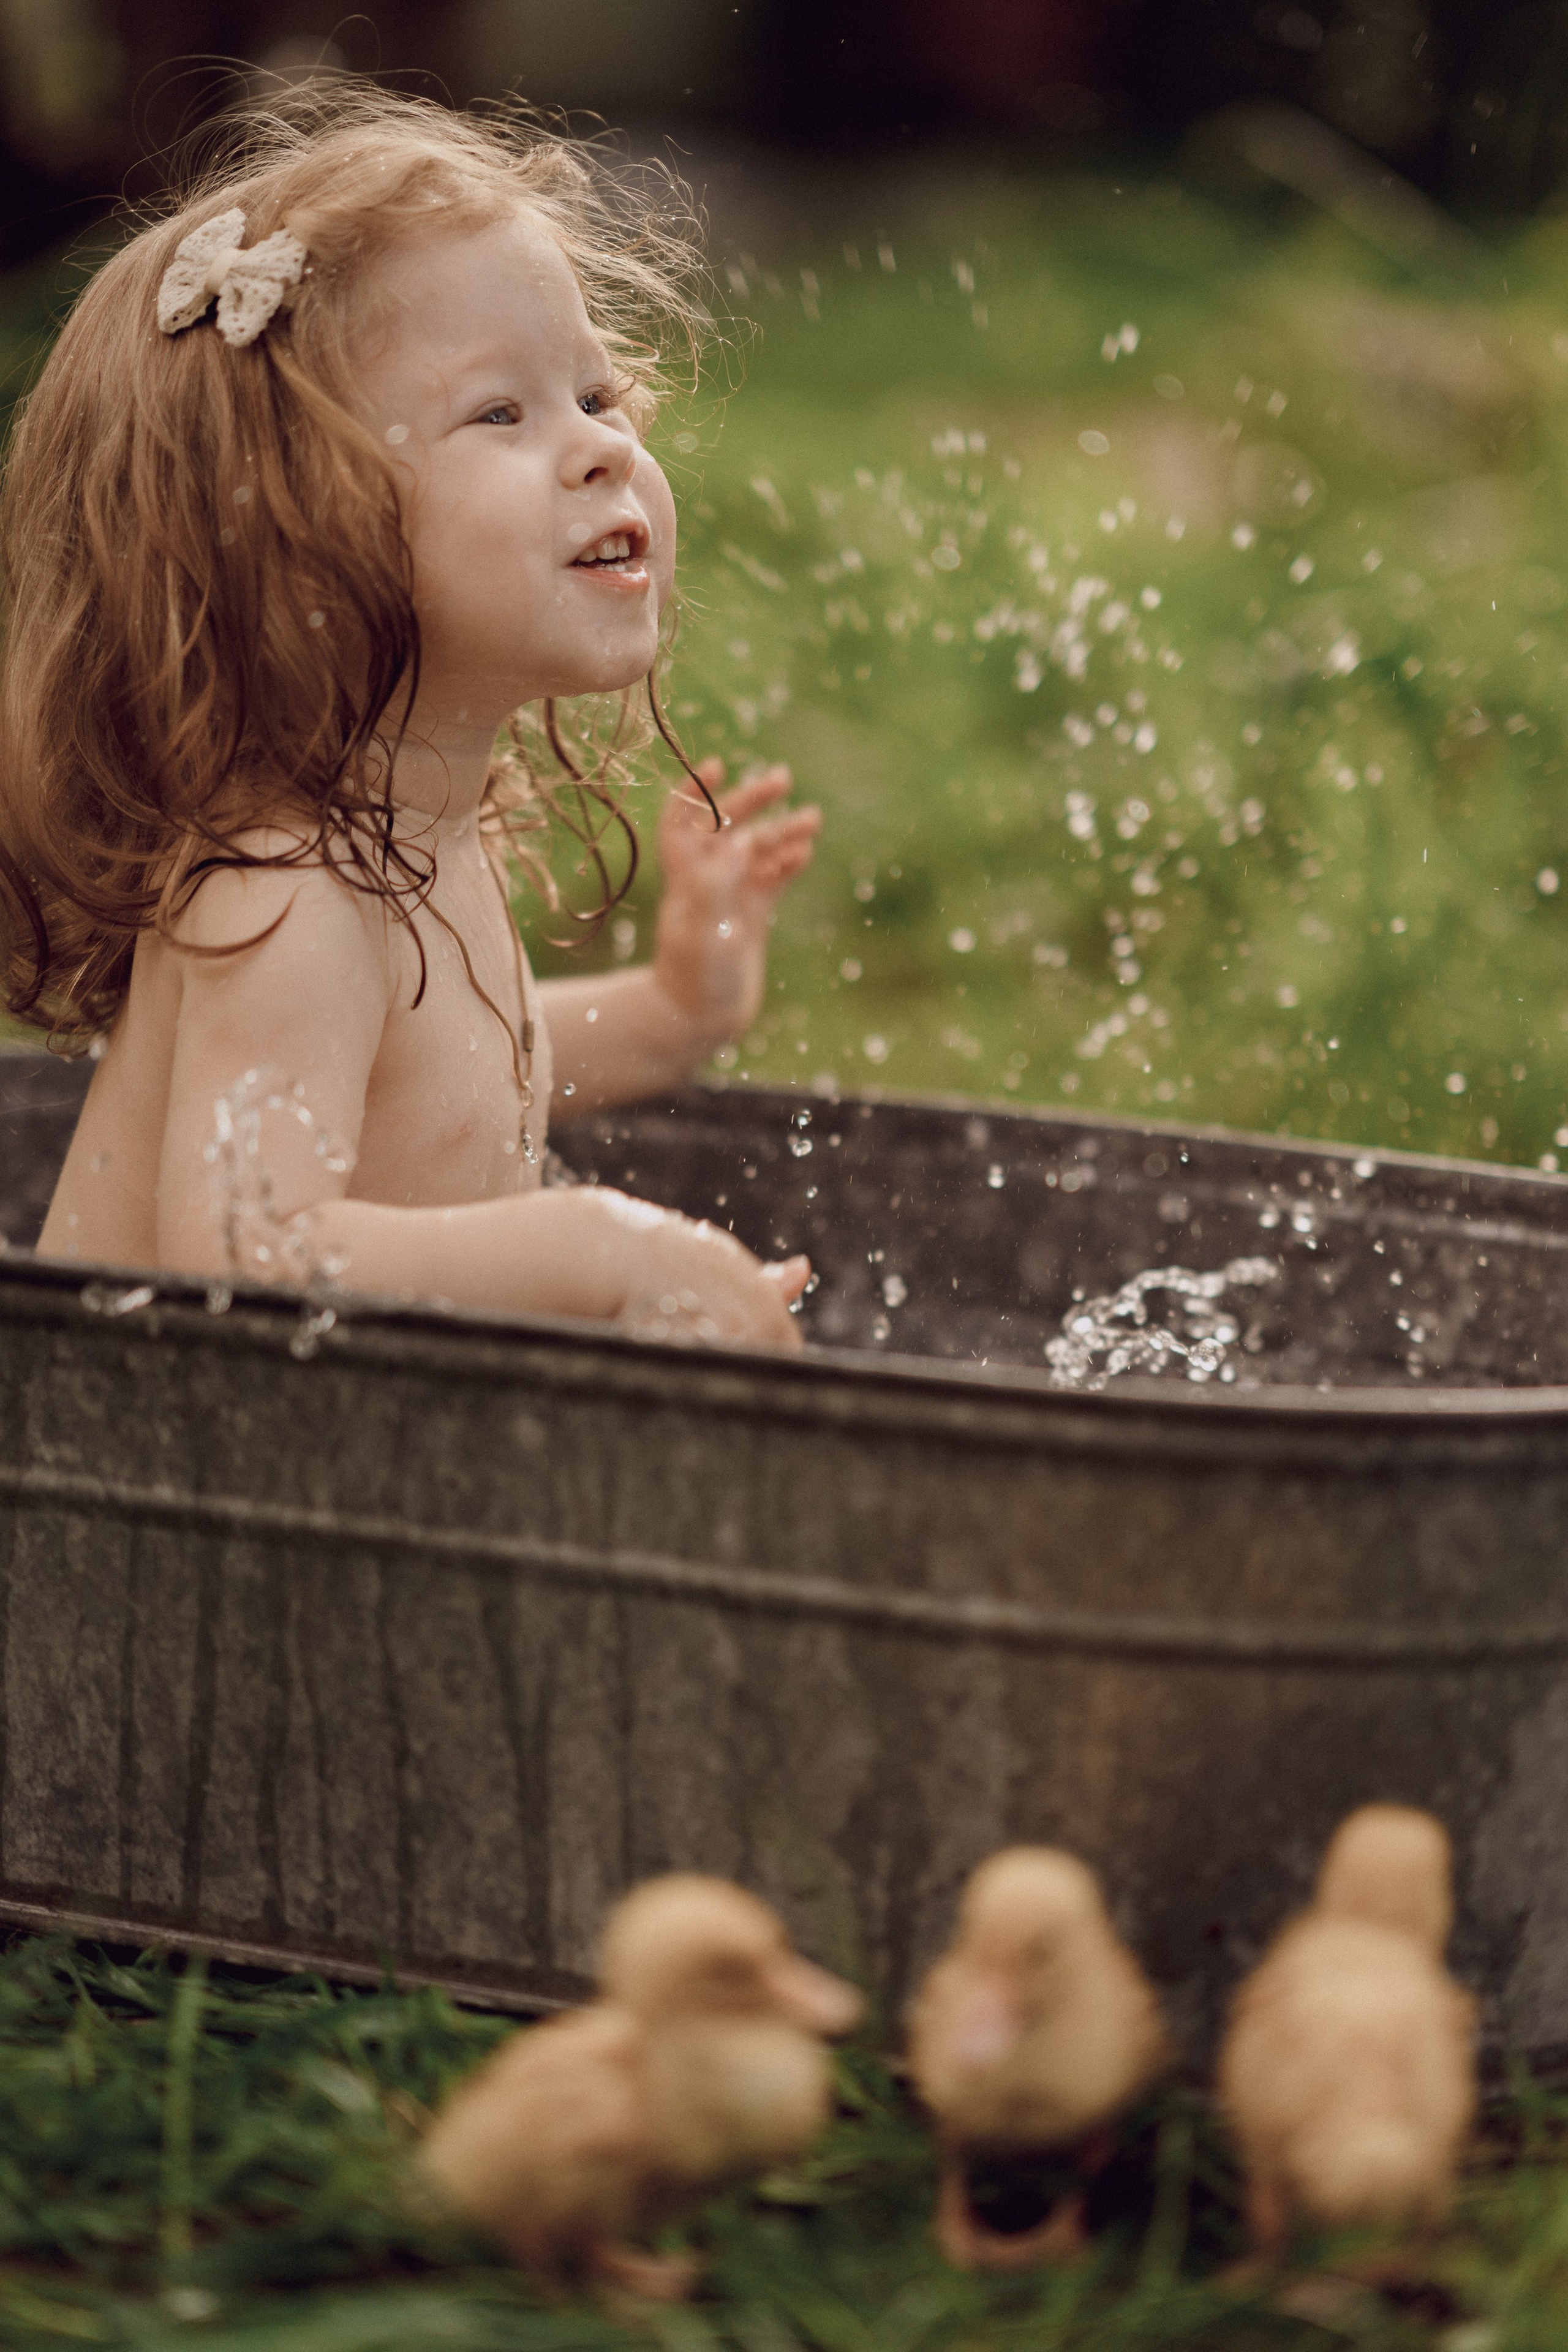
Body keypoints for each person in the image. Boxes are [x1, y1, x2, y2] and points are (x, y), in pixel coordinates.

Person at [0, 91, 821, 1348]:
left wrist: (673, 1009)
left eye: (596, 396)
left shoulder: (413, 833)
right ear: (299, 530)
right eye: (501, 414)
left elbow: (452, 1091)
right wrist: (598, 1249)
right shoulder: (286, 890)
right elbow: (243, 1251)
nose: (603, 450)